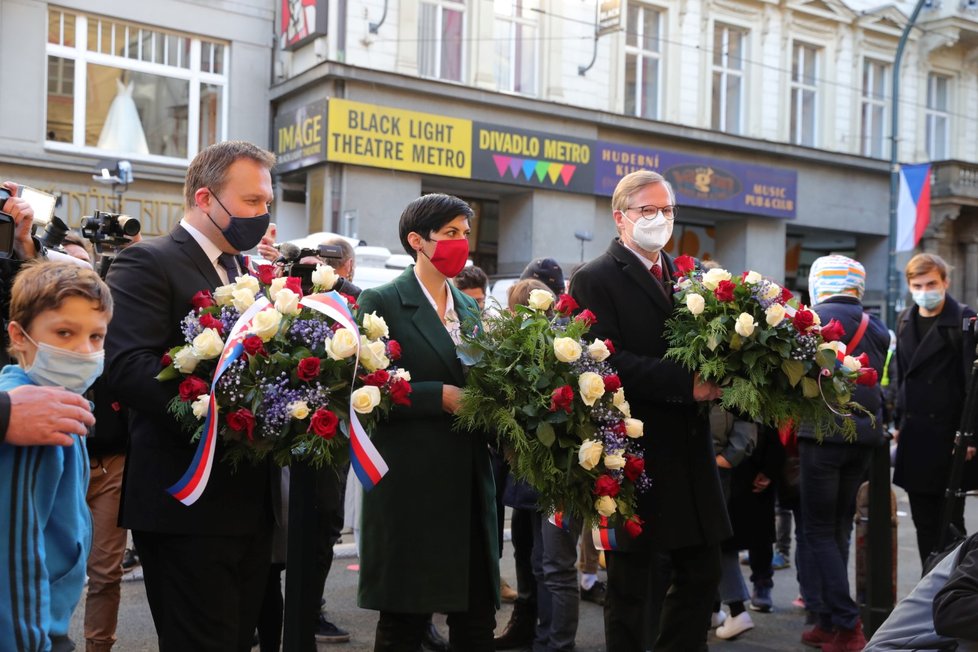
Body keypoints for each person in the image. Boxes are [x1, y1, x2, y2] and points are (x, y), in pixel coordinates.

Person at [104, 141, 275, 651]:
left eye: (266, 203)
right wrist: (227, 407)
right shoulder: (147, 262)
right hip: (184, 502)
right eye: (251, 202)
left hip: (248, 502)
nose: (262, 216)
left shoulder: (245, 272)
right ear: (205, 198)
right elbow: (128, 368)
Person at [570, 169, 729, 651]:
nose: (659, 219)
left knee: (703, 573)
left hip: (690, 450)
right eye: (648, 210)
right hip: (632, 452)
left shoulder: (685, 276)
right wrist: (689, 384)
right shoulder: (594, 277)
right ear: (620, 218)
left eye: (667, 210)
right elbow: (601, 359)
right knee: (633, 587)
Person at [356, 193, 499, 651]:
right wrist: (437, 396)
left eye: (464, 234)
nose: (461, 243)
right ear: (417, 240)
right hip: (411, 486)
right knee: (405, 621)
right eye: (450, 234)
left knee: (476, 619)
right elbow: (363, 388)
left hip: (469, 484)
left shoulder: (470, 308)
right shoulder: (384, 300)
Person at [0, 260, 113, 652]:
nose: (84, 351)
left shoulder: (62, 405)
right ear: (19, 336)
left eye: (97, 337)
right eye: (64, 333)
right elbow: (14, 559)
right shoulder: (32, 419)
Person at [798, 255, 889, 652]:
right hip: (864, 438)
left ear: (819, 283)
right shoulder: (879, 327)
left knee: (817, 530)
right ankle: (828, 622)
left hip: (822, 436)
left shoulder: (809, 321)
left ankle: (847, 625)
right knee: (838, 527)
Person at [893, 253, 978, 567]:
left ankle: (955, 593)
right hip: (915, 435)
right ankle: (929, 590)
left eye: (931, 283)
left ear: (945, 282)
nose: (924, 290)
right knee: (923, 523)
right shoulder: (905, 319)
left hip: (951, 439)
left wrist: (971, 437)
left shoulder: (964, 321)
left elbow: (975, 384)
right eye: (918, 284)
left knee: (950, 527)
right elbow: (903, 374)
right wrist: (900, 421)